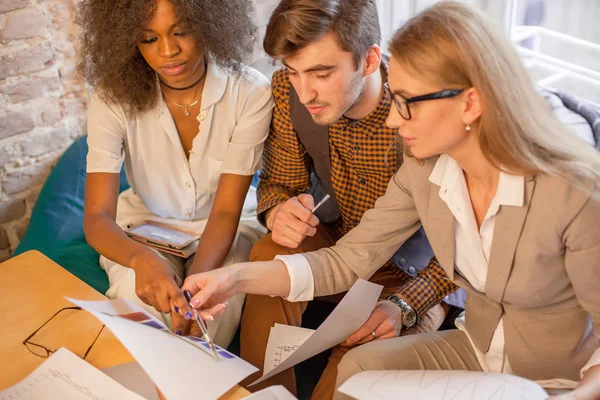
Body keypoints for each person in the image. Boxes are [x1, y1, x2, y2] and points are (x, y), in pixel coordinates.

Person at [180, 2, 600, 399]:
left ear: (470, 103)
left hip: (558, 378)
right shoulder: (422, 168)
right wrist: (233, 279)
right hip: (478, 347)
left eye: (406, 104)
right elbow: (348, 260)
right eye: (394, 100)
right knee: (359, 369)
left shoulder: (571, 194)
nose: (394, 119)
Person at [240, 0, 452, 397]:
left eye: (322, 73)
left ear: (369, 60)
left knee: (352, 375)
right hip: (334, 245)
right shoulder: (291, 92)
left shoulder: (419, 116)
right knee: (270, 252)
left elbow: (465, 253)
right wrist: (278, 212)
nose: (305, 92)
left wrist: (408, 303)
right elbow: (278, 183)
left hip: (411, 273)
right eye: (293, 72)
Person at [78, 0, 273, 348]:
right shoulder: (111, 98)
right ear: (127, 40)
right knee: (137, 316)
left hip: (228, 226)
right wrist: (141, 259)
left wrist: (194, 290)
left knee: (210, 316)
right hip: (143, 225)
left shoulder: (251, 93)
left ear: (210, 23)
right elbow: (97, 217)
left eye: (181, 31)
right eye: (148, 39)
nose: (168, 51)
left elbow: (226, 210)